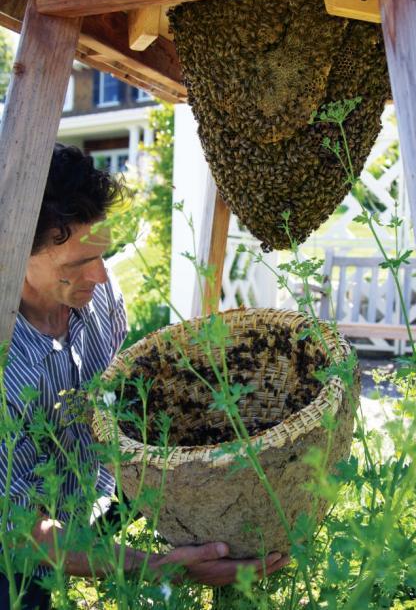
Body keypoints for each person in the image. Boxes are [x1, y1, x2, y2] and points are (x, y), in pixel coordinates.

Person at [0, 144, 287, 609]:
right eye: (76, 264)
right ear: (10, 251)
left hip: (99, 494)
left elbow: (124, 410)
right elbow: (18, 531)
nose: (99, 275)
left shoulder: (97, 291)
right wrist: (156, 565)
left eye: (101, 254)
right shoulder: (4, 358)